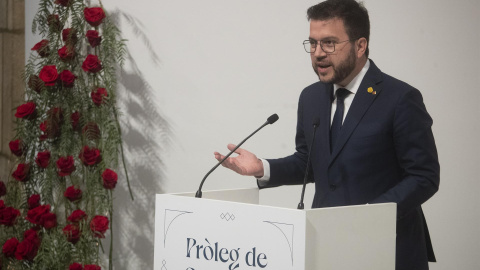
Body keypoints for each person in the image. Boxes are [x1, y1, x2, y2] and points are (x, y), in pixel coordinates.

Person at [214, 0, 439, 269]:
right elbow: (310, 162)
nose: (318, 53)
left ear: (360, 45)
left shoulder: (400, 98)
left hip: (387, 248)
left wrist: (371, 215)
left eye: (329, 43)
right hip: (326, 246)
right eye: (313, 43)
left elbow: (424, 176)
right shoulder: (311, 97)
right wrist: (262, 168)